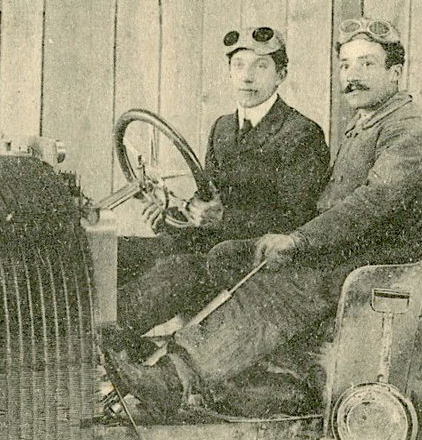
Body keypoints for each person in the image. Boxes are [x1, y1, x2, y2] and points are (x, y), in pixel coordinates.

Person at [106, 16, 422, 417]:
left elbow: (369, 205)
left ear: (395, 73)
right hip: (343, 251)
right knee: (223, 259)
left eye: (367, 64)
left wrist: (299, 241)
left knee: (276, 288)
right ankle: (168, 354)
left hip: (374, 264)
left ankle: (175, 377)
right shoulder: (369, 123)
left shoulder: (411, 131)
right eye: (346, 65)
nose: (352, 75)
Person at [112, 25, 329, 351]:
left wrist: (223, 220)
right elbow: (208, 199)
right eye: (239, 65)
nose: (248, 77)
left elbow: (295, 221)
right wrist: (171, 216)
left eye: (261, 66)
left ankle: (91, 346)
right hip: (207, 247)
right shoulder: (223, 128)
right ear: (229, 72)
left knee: (176, 271)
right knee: (115, 252)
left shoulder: (301, 133)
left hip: (251, 262)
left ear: (280, 74)